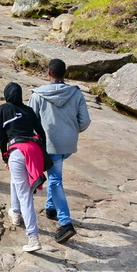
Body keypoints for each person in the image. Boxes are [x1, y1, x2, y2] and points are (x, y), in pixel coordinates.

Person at [28, 58, 90, 244]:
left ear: (49, 73)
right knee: (55, 172)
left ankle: (66, 223)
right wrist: (71, 131)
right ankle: (51, 208)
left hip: (49, 143)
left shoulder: (37, 95)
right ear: (66, 74)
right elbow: (85, 121)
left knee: (55, 179)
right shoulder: (76, 93)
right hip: (68, 143)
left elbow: (31, 122)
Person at [0, 82, 47, 253]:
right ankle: (15, 213)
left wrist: (5, 155)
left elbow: (1, 137)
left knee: (24, 193)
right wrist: (42, 153)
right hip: (34, 150)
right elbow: (41, 133)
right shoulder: (29, 111)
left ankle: (33, 237)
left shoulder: (3, 109)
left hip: (17, 150)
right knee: (17, 181)